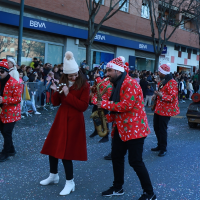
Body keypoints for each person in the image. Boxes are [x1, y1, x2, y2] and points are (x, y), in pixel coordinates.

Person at [97, 56, 156, 200]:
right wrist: (105, 116)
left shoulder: (130, 83)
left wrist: (104, 105)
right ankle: (118, 187)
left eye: (110, 70)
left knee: (135, 161)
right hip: (120, 128)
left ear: (118, 70)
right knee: (117, 157)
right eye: (107, 71)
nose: (107, 74)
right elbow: (118, 109)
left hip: (135, 129)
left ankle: (150, 193)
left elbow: (126, 106)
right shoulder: (117, 84)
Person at [40, 51, 90, 196]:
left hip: (74, 120)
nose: (74, 77)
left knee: (66, 153)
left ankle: (70, 182)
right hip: (61, 118)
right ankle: (53, 175)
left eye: (75, 74)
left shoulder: (84, 85)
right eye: (71, 75)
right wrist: (56, 91)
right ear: (65, 75)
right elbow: (56, 103)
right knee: (52, 148)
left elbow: (83, 106)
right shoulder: (62, 82)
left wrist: (67, 94)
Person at [151, 63, 180, 157]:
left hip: (166, 110)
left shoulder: (172, 82)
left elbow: (172, 98)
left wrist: (160, 95)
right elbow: (160, 93)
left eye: (159, 71)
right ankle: (159, 145)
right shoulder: (163, 81)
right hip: (158, 108)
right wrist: (155, 95)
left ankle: (163, 148)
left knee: (162, 129)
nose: (158, 73)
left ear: (164, 73)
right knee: (156, 127)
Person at [0, 59, 22, 162]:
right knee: (3, 131)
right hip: (2, 111)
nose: (0, 74)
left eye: (2, 72)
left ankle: (6, 152)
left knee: (6, 132)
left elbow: (18, 99)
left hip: (12, 112)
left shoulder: (14, 83)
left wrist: (4, 99)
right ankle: (11, 149)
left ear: (7, 71)